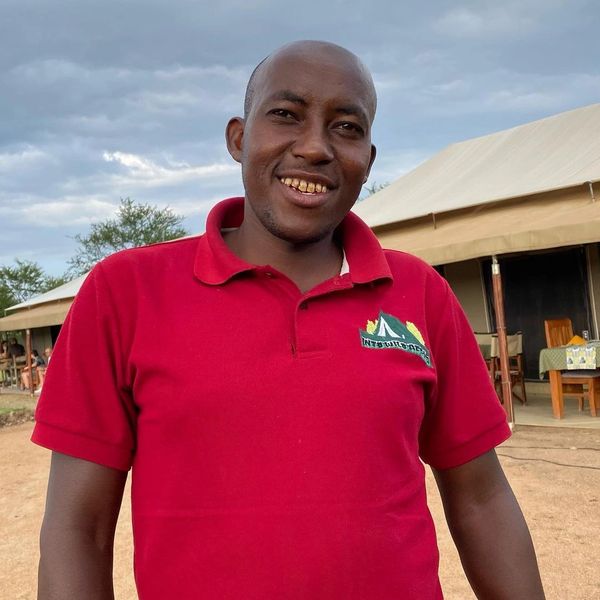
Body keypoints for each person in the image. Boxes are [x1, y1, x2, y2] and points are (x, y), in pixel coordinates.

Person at [33, 41, 545, 599]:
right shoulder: (125, 293)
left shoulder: (420, 293)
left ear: (368, 160)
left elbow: (481, 499)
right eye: (285, 115)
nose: (315, 147)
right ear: (237, 137)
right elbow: (77, 529)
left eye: (346, 127)